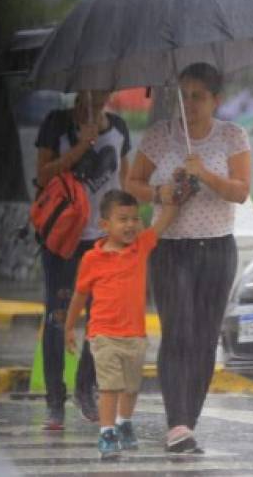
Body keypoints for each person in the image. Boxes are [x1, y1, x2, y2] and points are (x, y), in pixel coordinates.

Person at [126, 62, 251, 453]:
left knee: (203, 338)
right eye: (183, 95)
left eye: (198, 96)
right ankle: (176, 421)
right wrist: (162, 191)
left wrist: (206, 176)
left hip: (216, 247)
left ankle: (188, 420)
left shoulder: (232, 136)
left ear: (217, 99)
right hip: (171, 247)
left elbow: (241, 191)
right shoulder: (161, 135)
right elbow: (132, 182)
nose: (189, 103)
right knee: (177, 332)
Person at [34, 89, 131, 429]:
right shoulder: (57, 124)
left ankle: (84, 389)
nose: (98, 94)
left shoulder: (119, 128)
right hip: (64, 241)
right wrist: (79, 148)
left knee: (100, 322)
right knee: (58, 318)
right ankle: (54, 400)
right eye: (91, 88)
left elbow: (125, 183)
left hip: (103, 243)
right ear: (80, 91)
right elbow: (43, 176)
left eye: (104, 88)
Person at [63, 188, 180, 460]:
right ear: (105, 225)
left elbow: (164, 221)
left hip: (135, 335)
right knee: (109, 386)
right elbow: (80, 295)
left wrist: (174, 196)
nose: (130, 225)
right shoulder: (92, 259)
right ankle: (106, 433)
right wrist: (70, 327)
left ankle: (123, 423)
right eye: (122, 219)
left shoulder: (140, 247)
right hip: (103, 335)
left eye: (134, 219)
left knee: (131, 386)